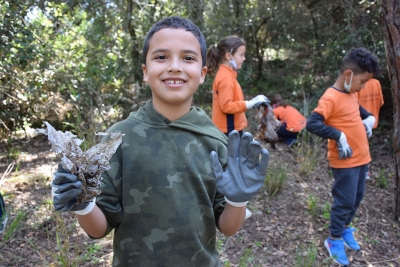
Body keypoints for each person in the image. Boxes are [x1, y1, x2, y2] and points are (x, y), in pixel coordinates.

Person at [51, 16, 270, 267]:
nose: (175, 67)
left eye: (188, 58)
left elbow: (228, 227)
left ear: (202, 73)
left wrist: (238, 200)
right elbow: (99, 229)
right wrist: (82, 202)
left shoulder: (216, 142)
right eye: (161, 57)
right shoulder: (117, 140)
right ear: (145, 72)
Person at [306, 47, 380, 266]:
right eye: (363, 81)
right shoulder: (331, 97)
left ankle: (345, 228)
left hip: (362, 159)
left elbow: (362, 114)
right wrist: (338, 135)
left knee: (356, 197)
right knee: (345, 200)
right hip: (345, 161)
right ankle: (334, 238)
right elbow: (313, 123)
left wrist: (369, 120)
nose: (363, 87)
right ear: (348, 76)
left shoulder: (352, 94)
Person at [206, 36, 269, 219]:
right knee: (231, 165)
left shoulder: (229, 75)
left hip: (231, 128)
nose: (244, 58)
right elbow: (226, 106)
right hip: (228, 129)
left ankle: (235, 204)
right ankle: (230, 205)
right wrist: (250, 103)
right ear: (228, 55)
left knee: (234, 163)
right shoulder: (225, 77)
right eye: (241, 55)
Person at [357, 78, 384, 179]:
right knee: (365, 144)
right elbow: (381, 102)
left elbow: (355, 104)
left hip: (362, 121)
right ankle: (364, 170)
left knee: (362, 146)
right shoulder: (377, 83)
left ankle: (364, 171)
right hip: (373, 119)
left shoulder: (358, 82)